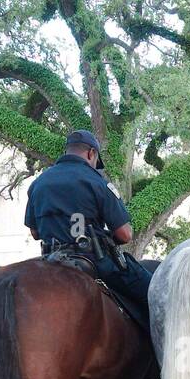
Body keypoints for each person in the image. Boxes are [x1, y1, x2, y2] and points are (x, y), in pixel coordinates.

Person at [25, 129, 153, 324]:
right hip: (93, 261)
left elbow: (35, 232)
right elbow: (125, 234)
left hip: (49, 260)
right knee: (154, 292)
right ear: (91, 153)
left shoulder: (38, 184)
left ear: (67, 151)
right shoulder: (97, 181)